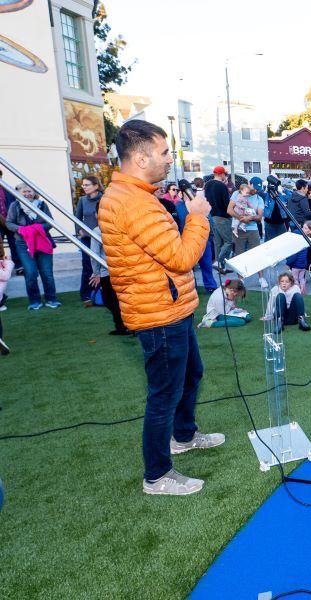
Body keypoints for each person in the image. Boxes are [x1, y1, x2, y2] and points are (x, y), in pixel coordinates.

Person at [99, 120, 223, 496]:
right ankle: (157, 475)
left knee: (191, 375)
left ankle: (183, 436)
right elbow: (182, 256)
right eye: (165, 152)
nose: (171, 159)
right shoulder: (132, 202)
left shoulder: (137, 195)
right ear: (140, 158)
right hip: (158, 313)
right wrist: (198, 217)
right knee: (164, 393)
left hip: (171, 305)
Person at [5, 184, 60, 310]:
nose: (27, 193)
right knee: (30, 273)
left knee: (47, 273)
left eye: (30, 191)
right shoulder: (15, 205)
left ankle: (51, 299)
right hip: (23, 244)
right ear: (18, 193)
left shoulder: (42, 205)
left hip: (43, 242)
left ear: (34, 192)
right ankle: (34, 301)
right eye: (24, 191)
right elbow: (8, 223)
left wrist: (35, 229)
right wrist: (22, 230)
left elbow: (50, 222)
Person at [175, 180, 216, 295]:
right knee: (189, 266)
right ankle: (192, 286)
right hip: (186, 239)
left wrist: (210, 237)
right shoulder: (178, 207)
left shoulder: (198, 204)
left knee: (206, 264)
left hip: (203, 239)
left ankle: (210, 286)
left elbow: (210, 221)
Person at [88, 226, 129, 335]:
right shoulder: (119, 226)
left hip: (107, 271)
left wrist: (96, 273)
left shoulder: (98, 230)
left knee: (110, 301)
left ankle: (123, 326)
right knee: (120, 300)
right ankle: (123, 326)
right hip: (122, 269)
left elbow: (94, 254)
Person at [75, 176, 104, 304]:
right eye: (83, 185)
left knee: (103, 265)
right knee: (87, 265)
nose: (84, 187)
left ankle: (102, 292)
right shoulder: (82, 200)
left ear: (96, 186)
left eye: (87, 185)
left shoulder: (105, 199)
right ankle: (86, 293)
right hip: (87, 238)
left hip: (103, 238)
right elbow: (77, 218)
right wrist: (79, 231)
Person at [205, 167, 233, 271]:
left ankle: (222, 268)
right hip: (222, 217)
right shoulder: (222, 186)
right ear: (222, 174)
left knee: (218, 243)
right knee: (229, 241)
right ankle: (218, 261)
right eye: (225, 174)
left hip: (211, 216)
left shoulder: (207, 184)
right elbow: (227, 203)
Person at [0, 168, 22, 274]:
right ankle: (2, 269)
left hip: (9, 221)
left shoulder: (8, 190)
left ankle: (19, 267)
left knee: (14, 243)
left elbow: (14, 205)